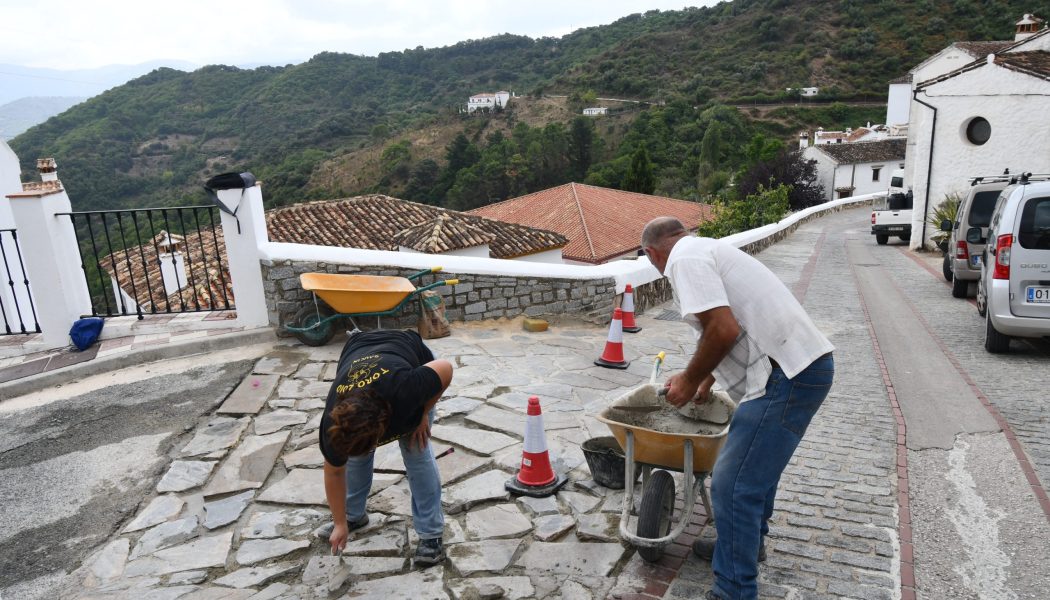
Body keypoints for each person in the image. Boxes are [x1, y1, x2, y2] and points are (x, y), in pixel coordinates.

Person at [640, 217, 834, 600]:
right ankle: (745, 543)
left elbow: (723, 329)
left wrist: (691, 378)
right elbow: (732, 325)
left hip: (786, 373)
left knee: (732, 485)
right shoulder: (704, 248)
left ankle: (733, 590)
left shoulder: (682, 260)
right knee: (757, 469)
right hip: (803, 365)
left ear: (651, 253)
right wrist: (709, 377)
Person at [318, 329, 453, 567]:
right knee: (357, 460)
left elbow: (444, 369)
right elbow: (334, 472)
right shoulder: (334, 424)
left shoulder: (406, 389)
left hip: (409, 351)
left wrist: (422, 412)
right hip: (359, 346)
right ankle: (353, 516)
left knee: (416, 452)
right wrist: (340, 523)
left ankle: (431, 535)